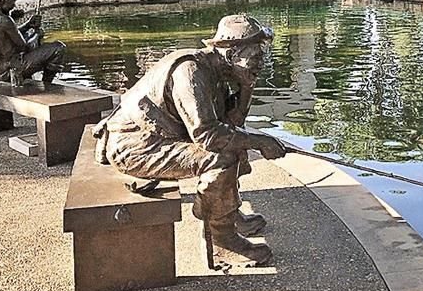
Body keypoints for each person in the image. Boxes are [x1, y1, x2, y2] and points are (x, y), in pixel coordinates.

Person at [93, 14, 286, 269]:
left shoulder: (217, 71)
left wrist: (247, 88)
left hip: (157, 138)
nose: (262, 62)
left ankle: (227, 212)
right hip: (133, 145)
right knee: (221, 158)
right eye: (256, 56)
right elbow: (208, 135)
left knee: (235, 142)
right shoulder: (190, 71)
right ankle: (222, 240)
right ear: (231, 54)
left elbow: (231, 125)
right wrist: (260, 141)